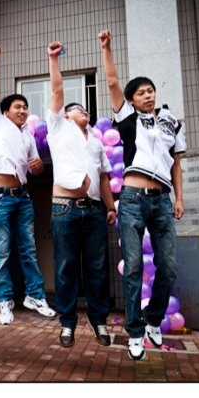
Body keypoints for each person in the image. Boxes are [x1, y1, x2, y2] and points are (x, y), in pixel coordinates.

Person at [99, 29, 186, 360]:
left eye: (150, 91)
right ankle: (135, 332)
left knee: (169, 267)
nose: (147, 95)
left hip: (162, 200)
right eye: (141, 92)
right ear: (132, 100)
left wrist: (179, 198)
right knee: (133, 266)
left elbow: (176, 163)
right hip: (133, 199)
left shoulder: (171, 122)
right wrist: (107, 48)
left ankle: (153, 319)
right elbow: (111, 82)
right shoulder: (128, 120)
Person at [46, 41, 117, 348]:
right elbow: (57, 91)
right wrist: (54, 59)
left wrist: (110, 207)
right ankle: (67, 323)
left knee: (97, 268)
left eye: (86, 110)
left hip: (95, 210)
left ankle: (99, 321)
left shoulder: (97, 143)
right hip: (65, 208)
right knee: (66, 267)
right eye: (77, 109)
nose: (83, 111)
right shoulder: (58, 129)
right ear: (65, 116)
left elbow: (104, 177)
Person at [0, 45, 56, 325]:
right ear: (5, 112)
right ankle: (5, 301)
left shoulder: (27, 136)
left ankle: (35, 296)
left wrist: (37, 167)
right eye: (18, 107)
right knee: (2, 252)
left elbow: (35, 168)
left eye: (26, 107)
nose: (23, 111)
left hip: (22, 196)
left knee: (28, 248)